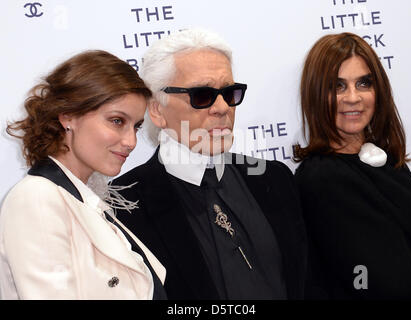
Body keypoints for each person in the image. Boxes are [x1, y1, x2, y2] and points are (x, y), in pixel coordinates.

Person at [113, 28, 307, 300]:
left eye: (229, 93)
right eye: (202, 95)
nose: (221, 107)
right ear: (157, 109)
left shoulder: (274, 179)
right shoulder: (123, 205)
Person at [0, 50, 166, 299]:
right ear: (68, 116)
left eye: (136, 126)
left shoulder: (85, 199)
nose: (131, 141)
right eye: (117, 121)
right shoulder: (37, 198)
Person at [294, 32, 411, 299]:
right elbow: (386, 282)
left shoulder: (388, 161)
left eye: (363, 83)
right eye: (337, 86)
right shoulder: (322, 178)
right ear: (317, 94)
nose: (353, 97)